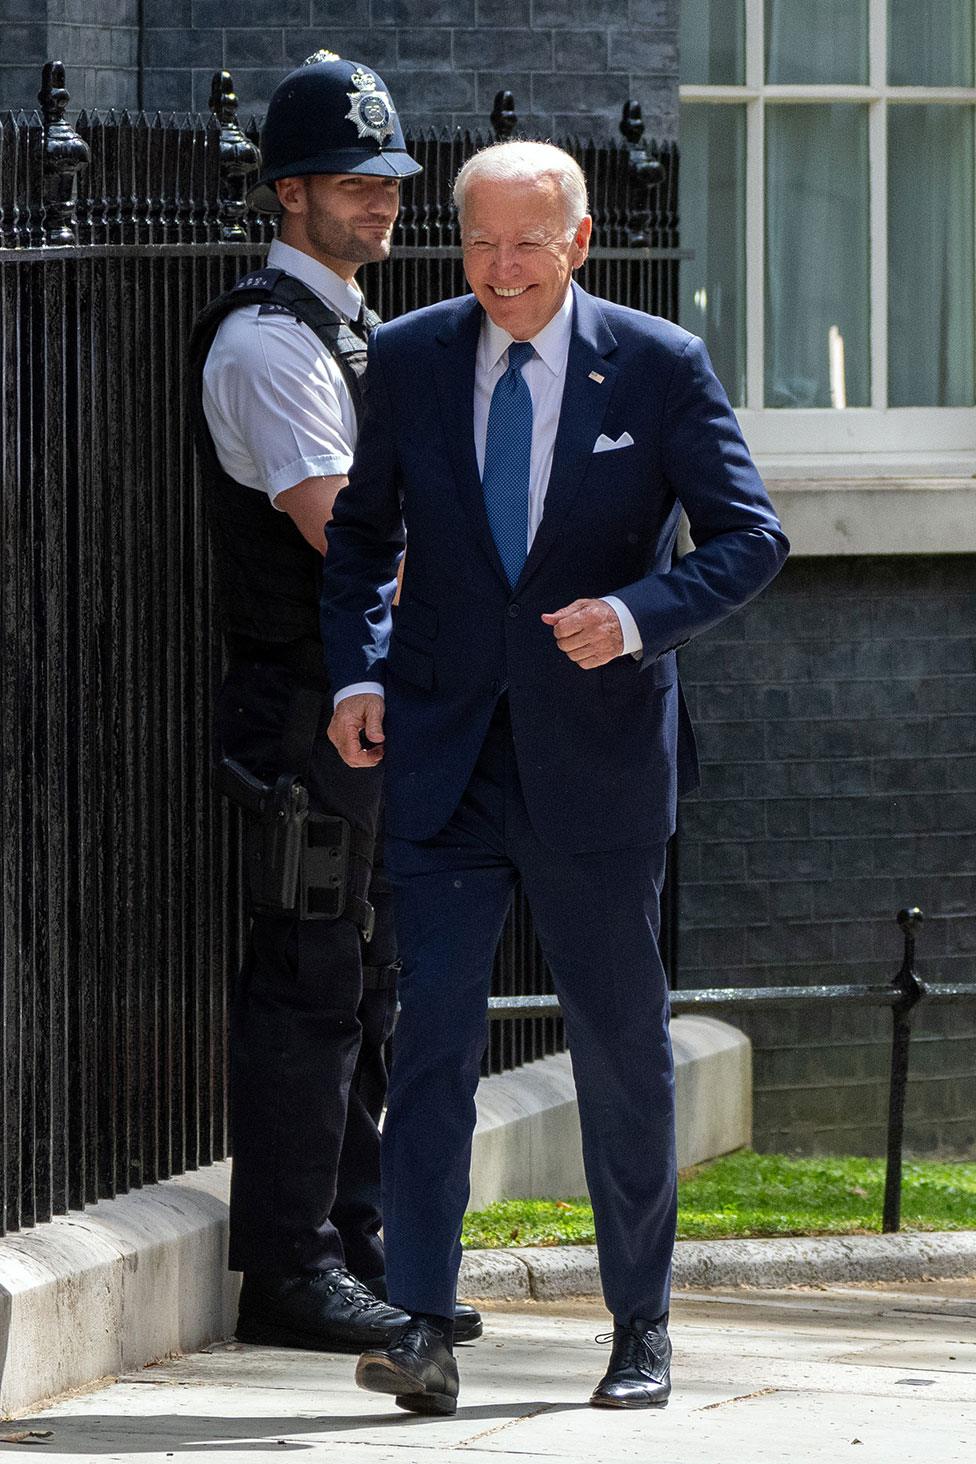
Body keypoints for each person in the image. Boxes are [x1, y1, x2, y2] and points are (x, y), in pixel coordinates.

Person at [321, 139, 789, 1414]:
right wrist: (359, 677)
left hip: (595, 767)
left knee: (619, 1049)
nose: (501, 269)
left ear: (578, 242)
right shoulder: (411, 356)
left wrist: (638, 613)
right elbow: (363, 540)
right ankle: (422, 1326)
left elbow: (750, 537)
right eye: (478, 242)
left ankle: (640, 1325)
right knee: (430, 1048)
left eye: (528, 243)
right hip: (444, 754)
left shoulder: (656, 364)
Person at [187, 52, 482, 1353]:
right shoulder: (270, 343)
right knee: (309, 980)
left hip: (359, 706)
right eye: (358, 184)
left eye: (393, 183)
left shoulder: (353, 336)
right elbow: (350, 540)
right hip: (304, 711)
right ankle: (291, 1271)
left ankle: (356, 1251)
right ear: (291, 191)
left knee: (360, 982)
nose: (383, 204)